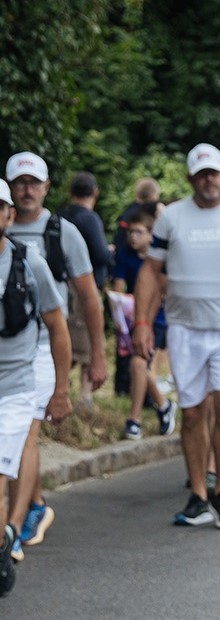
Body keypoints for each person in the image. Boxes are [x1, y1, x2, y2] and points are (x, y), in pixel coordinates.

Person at [132, 143, 220, 530]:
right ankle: (198, 493)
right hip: (184, 328)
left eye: (214, 172)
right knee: (193, 412)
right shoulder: (173, 218)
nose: (208, 179)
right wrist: (142, 323)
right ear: (190, 178)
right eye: (201, 174)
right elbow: (150, 271)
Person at [6, 152, 106, 561]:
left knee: (25, 432)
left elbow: (88, 297)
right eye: (20, 183)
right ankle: (34, 505)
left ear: (47, 187)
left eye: (35, 182)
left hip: (47, 348)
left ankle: (15, 523)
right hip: (8, 350)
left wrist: (98, 356)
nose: (28, 189)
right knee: (13, 438)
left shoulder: (60, 233)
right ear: (10, 191)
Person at [0, 179, 70, 594]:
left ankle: (9, 532)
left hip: (15, 386)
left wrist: (61, 390)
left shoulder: (30, 264)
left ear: (9, 215)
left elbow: (58, 329)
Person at [110, 211, 176, 439]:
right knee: (138, 366)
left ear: (151, 235)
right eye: (130, 232)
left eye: (139, 232)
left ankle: (134, 419)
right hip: (132, 318)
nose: (133, 237)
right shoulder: (125, 256)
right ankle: (163, 404)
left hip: (157, 319)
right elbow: (119, 288)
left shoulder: (162, 261)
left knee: (138, 363)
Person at [58, 172, 113, 410]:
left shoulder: (60, 215)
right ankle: (84, 396)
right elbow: (100, 254)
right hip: (84, 286)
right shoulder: (89, 218)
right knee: (86, 341)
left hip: (61, 285)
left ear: (71, 193)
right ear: (95, 193)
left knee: (66, 336)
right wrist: (111, 253)